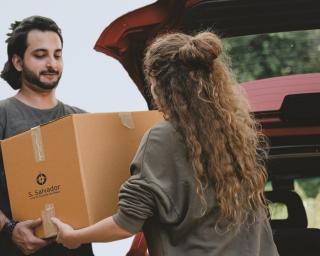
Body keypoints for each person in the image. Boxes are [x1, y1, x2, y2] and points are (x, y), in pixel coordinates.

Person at [52, 31, 279, 256]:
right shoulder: (235, 130)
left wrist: (74, 237)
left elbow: (126, 223)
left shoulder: (162, 137)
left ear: (157, 84)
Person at [0, 16, 94, 256]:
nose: (52, 63)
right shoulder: (3, 115)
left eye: (57, 55)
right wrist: (9, 229)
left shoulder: (81, 119)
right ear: (18, 62)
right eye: (40, 55)